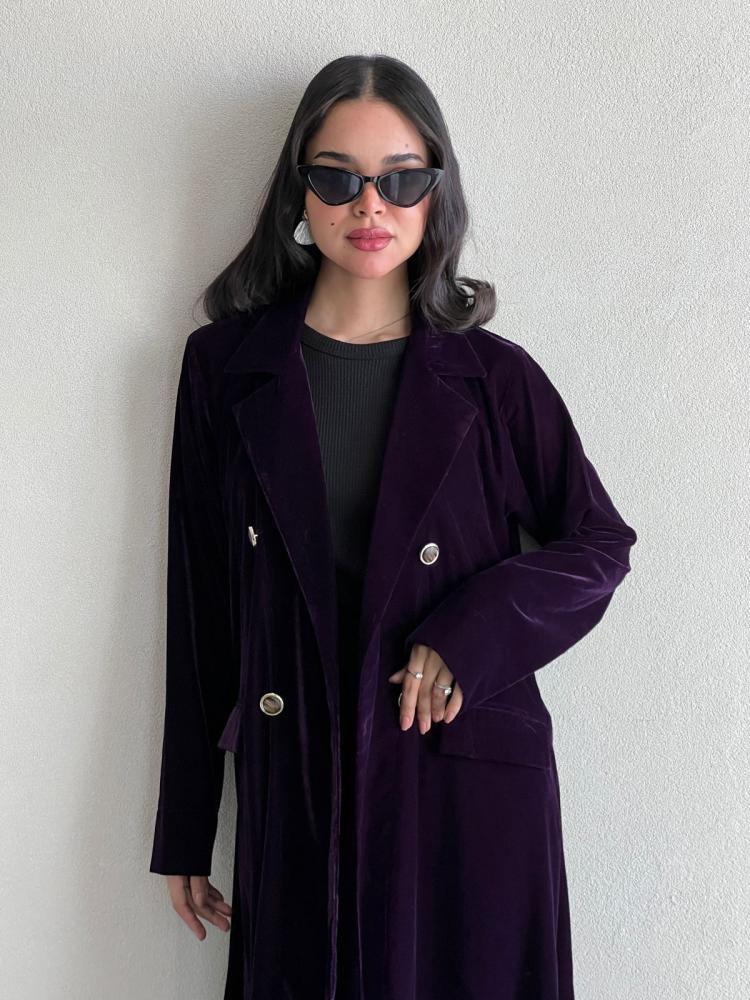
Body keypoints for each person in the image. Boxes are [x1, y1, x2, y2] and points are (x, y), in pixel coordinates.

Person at [149, 54, 637, 1000]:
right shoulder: (225, 369)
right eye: (338, 179)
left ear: (434, 194)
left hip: (458, 780)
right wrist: (187, 825)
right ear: (300, 193)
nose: (370, 205)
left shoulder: (493, 379)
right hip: (298, 775)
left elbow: (597, 544)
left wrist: (469, 634)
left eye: (402, 180)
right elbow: (201, 602)